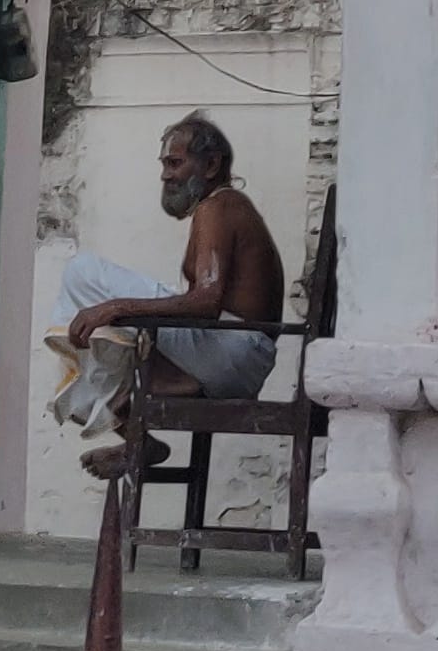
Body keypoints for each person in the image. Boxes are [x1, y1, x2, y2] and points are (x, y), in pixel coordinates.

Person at [48, 114, 285, 456]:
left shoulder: (220, 206)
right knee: (100, 341)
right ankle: (148, 420)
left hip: (234, 349)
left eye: (175, 163)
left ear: (211, 165)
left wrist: (115, 307)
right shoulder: (221, 206)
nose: (165, 175)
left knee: (82, 271)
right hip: (235, 356)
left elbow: (205, 303)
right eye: (164, 164)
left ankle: (160, 395)